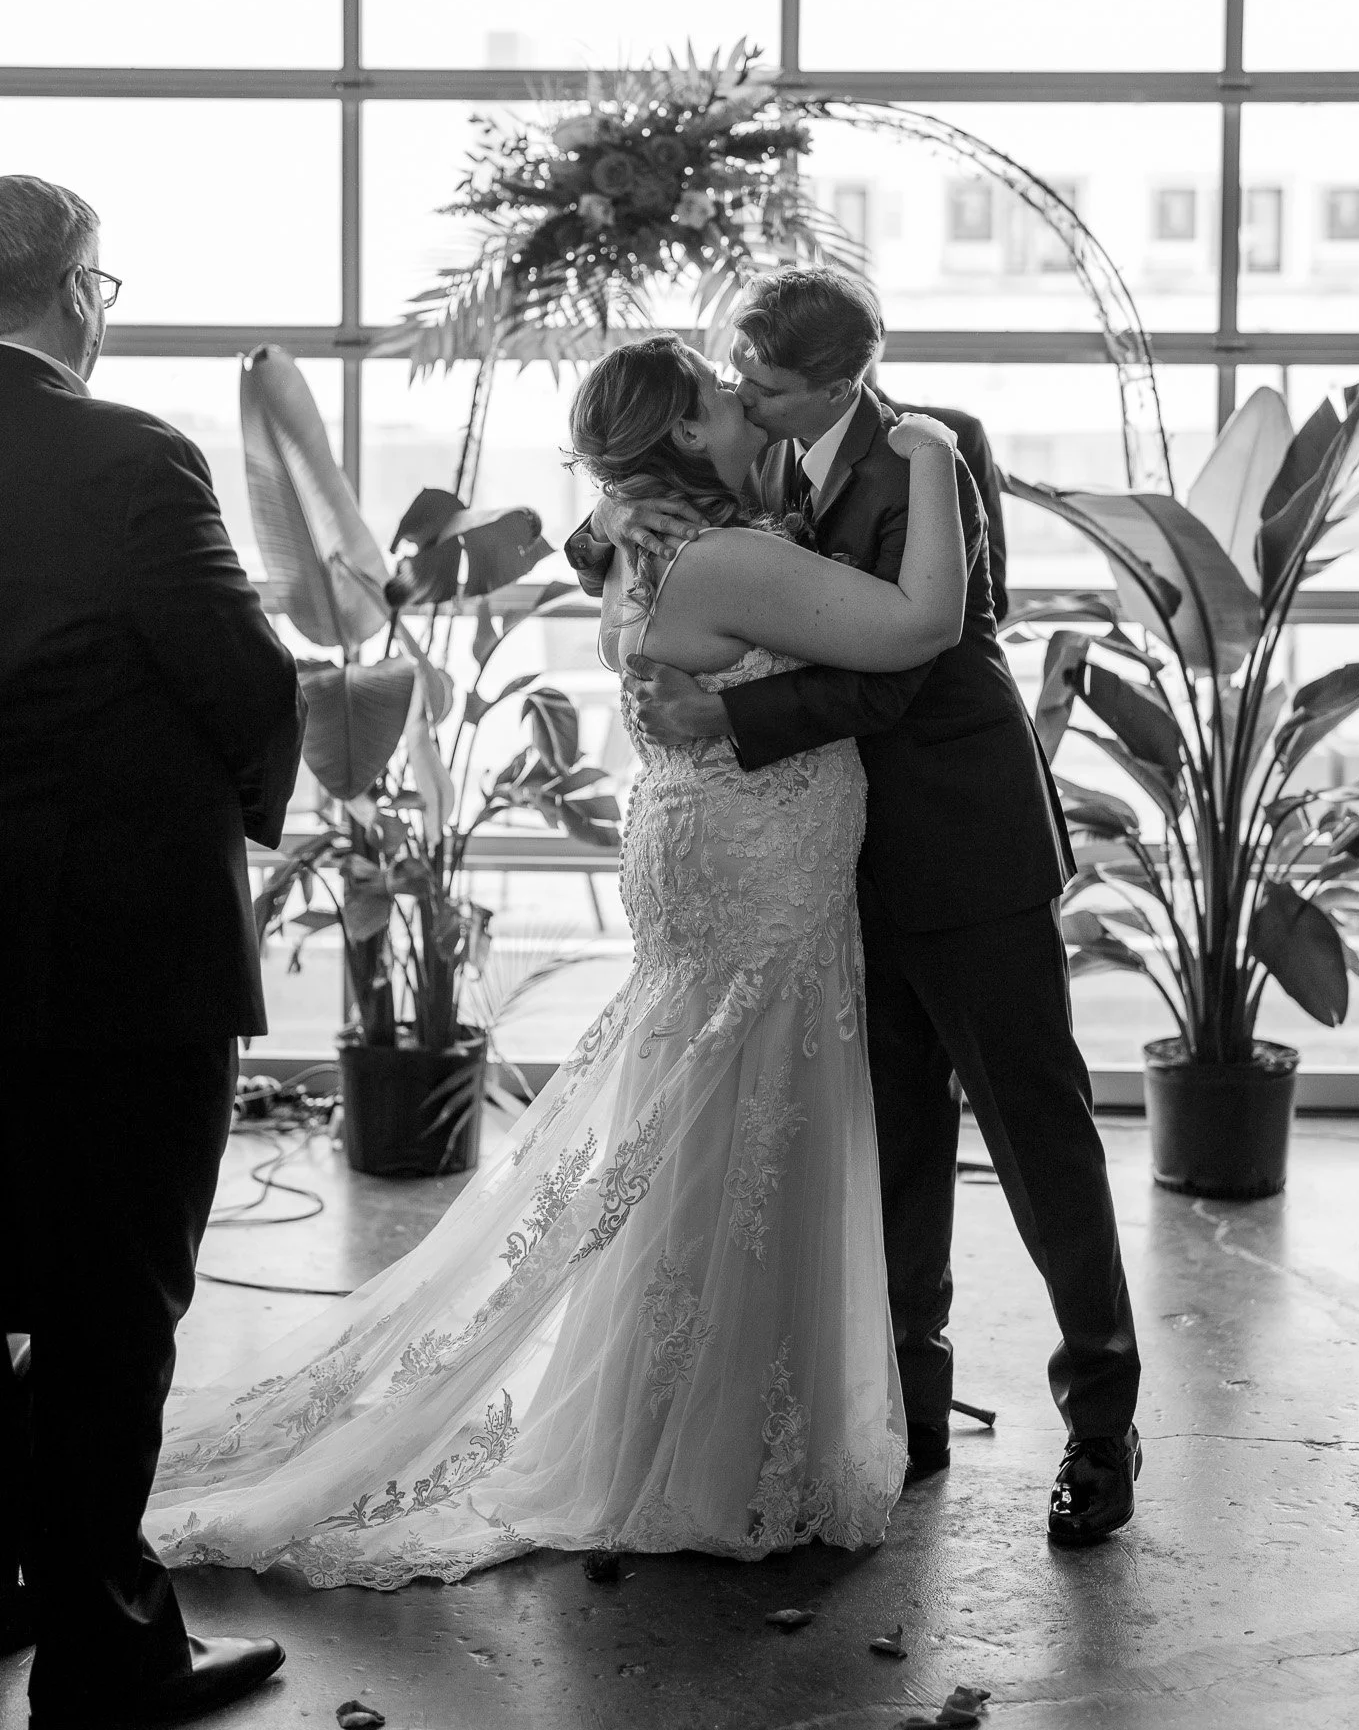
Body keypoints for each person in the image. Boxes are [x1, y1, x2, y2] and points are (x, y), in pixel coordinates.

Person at [139, 336, 966, 1590]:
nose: (745, 404)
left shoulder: (639, 539)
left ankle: (700, 1430)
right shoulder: (728, 556)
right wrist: (941, 461)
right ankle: (707, 1454)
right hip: (756, 867)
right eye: (721, 396)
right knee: (742, 1131)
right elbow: (920, 624)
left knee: (713, 1137)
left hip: (720, 850)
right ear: (686, 433)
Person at [567, 267, 1143, 1546]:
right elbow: (637, 528)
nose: (744, 399)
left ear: (838, 379)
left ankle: (1102, 1420)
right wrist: (618, 525)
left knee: (1039, 1134)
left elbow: (918, 655)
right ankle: (908, 1412)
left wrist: (734, 712)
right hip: (826, 868)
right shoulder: (749, 462)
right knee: (886, 1148)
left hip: (958, 842)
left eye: (761, 385)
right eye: (734, 381)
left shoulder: (941, 451)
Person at [0, 176, 305, 1725]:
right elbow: (244, 680)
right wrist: (253, 814)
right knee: (112, 1307)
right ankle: (104, 1656)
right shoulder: (122, 454)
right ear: (79, 293)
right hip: (108, 965)